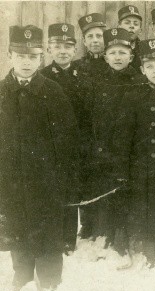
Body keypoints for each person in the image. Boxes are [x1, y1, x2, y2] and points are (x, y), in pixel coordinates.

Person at [0, 25, 80, 291]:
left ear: (41, 58)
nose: (26, 62)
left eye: (33, 57)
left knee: (47, 229)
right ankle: (20, 276)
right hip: (9, 177)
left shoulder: (53, 92)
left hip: (45, 178)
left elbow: (67, 140)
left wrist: (60, 176)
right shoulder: (1, 92)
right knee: (17, 225)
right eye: (20, 56)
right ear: (10, 55)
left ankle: (48, 282)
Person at [113, 38, 155, 267]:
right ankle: (151, 254)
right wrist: (122, 170)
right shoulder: (132, 97)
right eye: (150, 66)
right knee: (147, 209)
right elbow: (122, 137)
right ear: (142, 69)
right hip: (142, 166)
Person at [85, 28, 143, 264]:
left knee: (129, 194)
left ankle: (125, 238)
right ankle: (105, 237)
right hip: (105, 149)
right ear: (105, 56)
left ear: (131, 56)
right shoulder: (97, 83)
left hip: (133, 149)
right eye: (113, 52)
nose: (118, 57)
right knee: (106, 193)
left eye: (123, 52)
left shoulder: (140, 81)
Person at [40, 23, 90, 247]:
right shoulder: (41, 78)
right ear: (49, 49)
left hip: (77, 145)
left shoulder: (84, 76)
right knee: (50, 190)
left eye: (68, 46)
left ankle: (69, 240)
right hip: (49, 145)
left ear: (75, 50)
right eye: (57, 46)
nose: (62, 51)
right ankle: (52, 237)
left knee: (72, 189)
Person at [74, 13, 107, 80]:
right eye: (90, 36)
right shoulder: (76, 66)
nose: (95, 40)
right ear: (84, 41)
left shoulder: (114, 64)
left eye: (99, 36)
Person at [117, 5, 143, 72]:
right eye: (127, 23)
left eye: (136, 24)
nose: (132, 26)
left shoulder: (145, 50)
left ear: (140, 30)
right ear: (119, 26)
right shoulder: (111, 49)